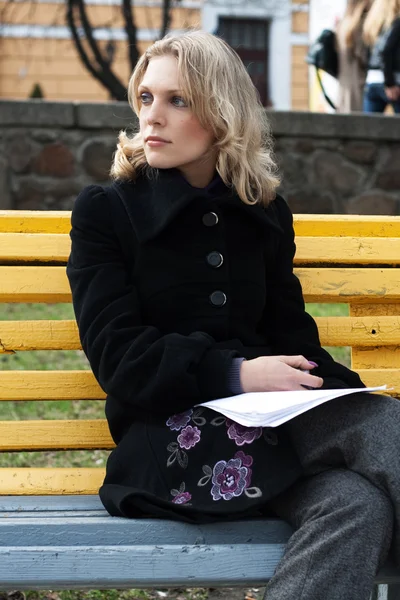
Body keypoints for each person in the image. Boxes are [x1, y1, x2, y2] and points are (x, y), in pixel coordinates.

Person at [67, 30, 400, 600]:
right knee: (383, 427)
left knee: (357, 504)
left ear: (223, 113)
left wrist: (329, 390)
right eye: (146, 97)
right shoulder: (108, 213)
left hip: (273, 435)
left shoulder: (262, 212)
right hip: (176, 444)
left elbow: (295, 339)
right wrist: (237, 374)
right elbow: (119, 359)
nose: (154, 116)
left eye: (178, 100)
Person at [363, 0, 400, 113]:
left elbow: (369, 52)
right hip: (393, 82)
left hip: (372, 80)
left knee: (368, 128)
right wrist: (389, 83)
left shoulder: (373, 23)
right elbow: (386, 51)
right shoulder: (397, 22)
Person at [336, 0, 371, 112]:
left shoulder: (343, 24)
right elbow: (363, 56)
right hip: (358, 83)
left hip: (344, 84)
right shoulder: (359, 24)